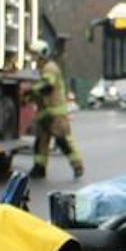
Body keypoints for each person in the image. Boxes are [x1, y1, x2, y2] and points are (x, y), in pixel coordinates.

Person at [27, 38, 84, 181]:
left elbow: (47, 86)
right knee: (41, 143)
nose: (34, 58)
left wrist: (30, 91)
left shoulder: (50, 68)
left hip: (55, 114)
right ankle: (39, 168)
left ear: (42, 54)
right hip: (44, 113)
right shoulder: (41, 69)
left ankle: (77, 166)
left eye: (35, 55)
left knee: (62, 141)